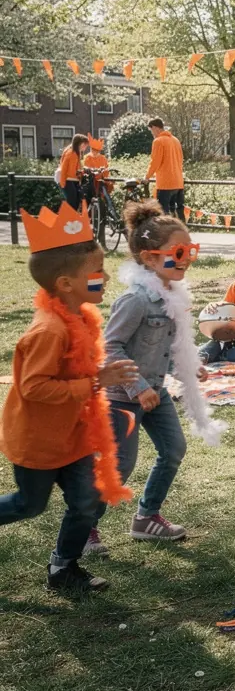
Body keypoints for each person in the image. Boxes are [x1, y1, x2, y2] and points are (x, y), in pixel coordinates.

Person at [0, 201, 138, 592]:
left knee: (85, 502)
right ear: (65, 284)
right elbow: (33, 387)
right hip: (39, 443)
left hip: (72, 439)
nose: (105, 277)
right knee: (30, 505)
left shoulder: (80, 318)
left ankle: (63, 567)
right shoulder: (49, 331)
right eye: (97, 272)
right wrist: (97, 380)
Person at [98, 200, 226, 549]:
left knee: (173, 449)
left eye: (190, 250)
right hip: (121, 398)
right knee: (120, 466)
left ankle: (146, 517)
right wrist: (137, 388)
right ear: (149, 257)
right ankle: (85, 527)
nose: (186, 258)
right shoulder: (135, 301)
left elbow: (161, 347)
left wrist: (186, 367)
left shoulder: (172, 297)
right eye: (178, 251)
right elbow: (110, 348)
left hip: (157, 391)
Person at [144, 117, 185, 219]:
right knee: (178, 212)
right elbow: (181, 160)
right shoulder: (175, 140)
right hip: (178, 182)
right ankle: (181, 232)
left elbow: (155, 162)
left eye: (151, 130)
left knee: (163, 213)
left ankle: (166, 233)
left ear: (155, 128)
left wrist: (147, 177)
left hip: (165, 184)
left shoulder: (158, 141)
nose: (152, 133)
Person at [82, 134, 114, 218]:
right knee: (88, 198)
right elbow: (85, 169)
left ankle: (105, 215)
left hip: (101, 182)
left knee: (105, 198)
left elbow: (106, 171)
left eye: (97, 150)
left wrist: (104, 174)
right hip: (91, 182)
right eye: (93, 150)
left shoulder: (103, 158)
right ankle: (89, 216)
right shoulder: (87, 157)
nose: (95, 152)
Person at [57, 133, 89, 210]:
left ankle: (71, 219)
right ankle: (68, 219)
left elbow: (77, 167)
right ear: (80, 143)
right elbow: (64, 168)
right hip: (69, 180)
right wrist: (63, 182)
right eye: (85, 145)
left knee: (76, 201)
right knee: (72, 201)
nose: (85, 147)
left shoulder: (77, 153)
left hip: (74, 180)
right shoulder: (71, 153)